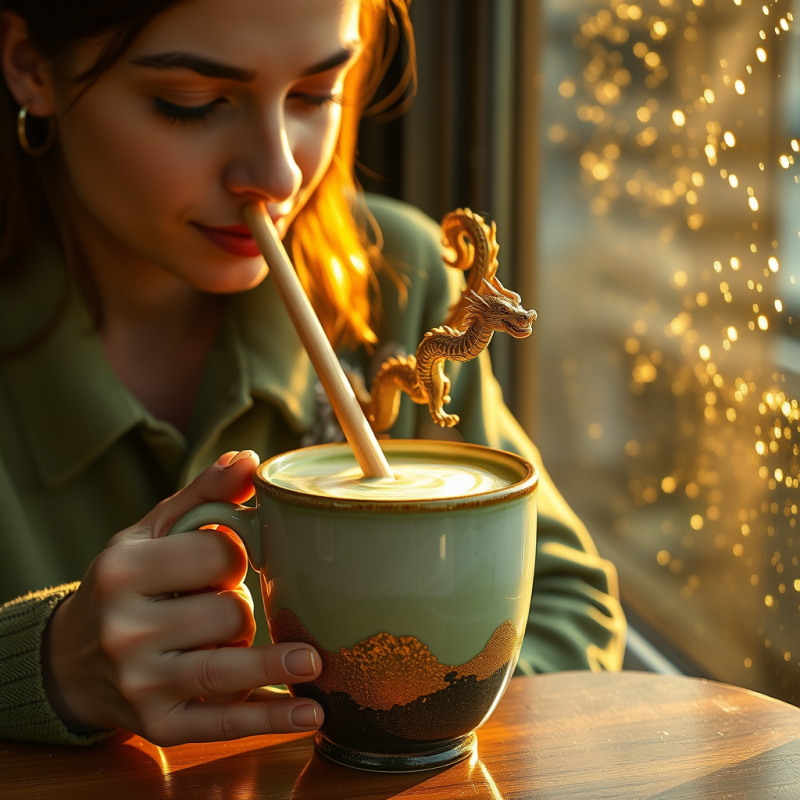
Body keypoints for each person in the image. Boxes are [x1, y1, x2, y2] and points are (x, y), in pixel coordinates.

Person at [0, 0, 625, 748]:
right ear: (33, 68)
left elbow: (565, 600)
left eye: (314, 95)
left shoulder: (394, 280)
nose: (279, 172)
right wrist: (44, 667)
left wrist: (407, 736)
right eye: (189, 103)